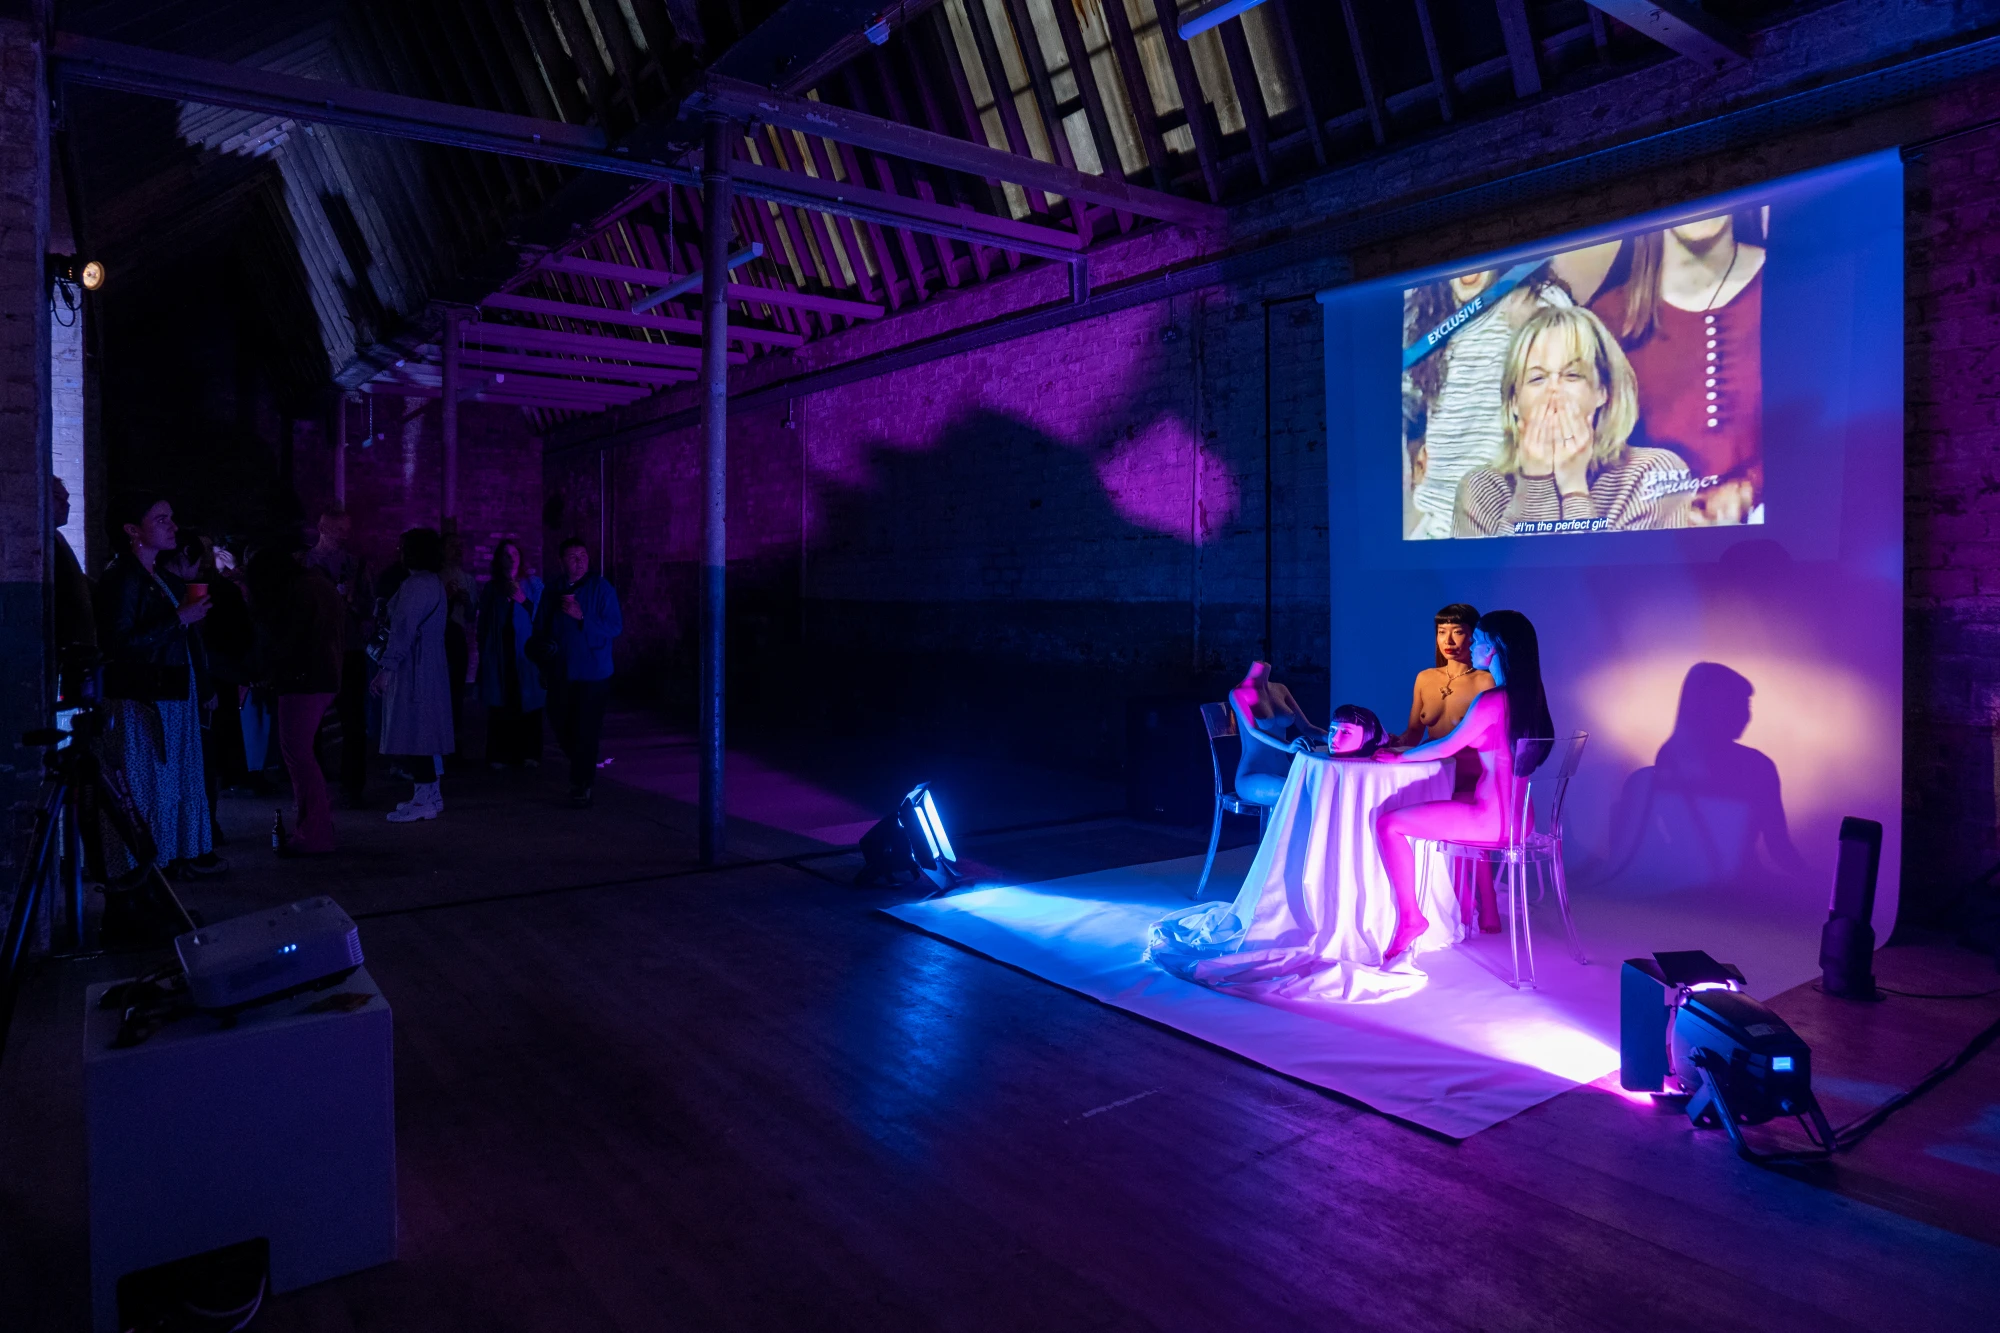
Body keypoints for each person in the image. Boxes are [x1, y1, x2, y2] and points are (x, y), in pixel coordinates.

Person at [1372, 610, 1553, 958]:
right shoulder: (1532, 700)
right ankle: (1466, 904)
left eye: (1480, 639)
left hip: (1491, 821)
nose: (1471, 645)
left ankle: (1412, 918)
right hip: (1521, 820)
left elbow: (1447, 745)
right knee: (1449, 801)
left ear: (1497, 647)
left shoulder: (1493, 700)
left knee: (1389, 823)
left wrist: (1399, 758)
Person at [1452, 305, 1695, 537]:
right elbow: (1507, 580)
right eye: (1537, 378)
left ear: (1603, 391)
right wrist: (1536, 482)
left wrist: (1574, 489)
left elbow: (1614, 579)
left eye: (1572, 375)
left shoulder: (1653, 474)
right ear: (1514, 401)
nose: (1554, 391)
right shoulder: (1481, 489)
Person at [1588, 213, 1767, 526]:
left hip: (1777, 552)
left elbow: (1830, 435)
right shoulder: (1606, 319)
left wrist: (1751, 487)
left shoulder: (1794, 282)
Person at [94, 493, 224, 879]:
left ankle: (165, 858)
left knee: (168, 779)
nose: (172, 526)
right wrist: (179, 618)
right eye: (161, 519)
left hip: (169, 693)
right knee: (146, 780)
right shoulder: (123, 577)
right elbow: (118, 642)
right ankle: (143, 865)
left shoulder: (155, 575)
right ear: (133, 529)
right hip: (143, 698)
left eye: (171, 517)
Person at [1402, 264, 1574, 539]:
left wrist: (1531, 334)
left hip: (1510, 527)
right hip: (1437, 528)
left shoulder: (1539, 301)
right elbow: (1402, 403)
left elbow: (1575, 389)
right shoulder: (1422, 317)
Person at [371, 528, 455, 822]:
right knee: (426, 731)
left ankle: (423, 800)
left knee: (417, 731)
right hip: (430, 663)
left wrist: (385, 669)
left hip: (414, 667)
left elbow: (403, 630)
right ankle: (430, 795)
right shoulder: (433, 582)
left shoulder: (416, 585)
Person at [267, 547, 345, 855]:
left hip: (302, 681)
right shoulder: (318, 585)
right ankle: (317, 826)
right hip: (321, 678)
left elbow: (290, 640)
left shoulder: (297, 593)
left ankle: (314, 832)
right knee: (303, 756)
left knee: (298, 757)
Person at [542, 537, 622, 808]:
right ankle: (580, 763)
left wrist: (583, 617)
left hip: (593, 673)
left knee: (587, 729)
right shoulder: (553, 589)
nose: (579, 561)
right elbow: (541, 626)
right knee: (560, 720)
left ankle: (581, 783)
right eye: (573, 556)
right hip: (562, 671)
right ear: (561, 561)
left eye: (583, 556)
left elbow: (614, 627)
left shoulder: (601, 588)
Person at [305, 506, 374, 806]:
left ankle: (353, 785)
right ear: (322, 527)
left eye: (347, 529)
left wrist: (351, 601)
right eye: (338, 529)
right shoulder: (304, 564)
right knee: (311, 721)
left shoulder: (355, 565)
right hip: (316, 650)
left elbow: (368, 608)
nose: (344, 535)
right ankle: (313, 782)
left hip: (350, 649)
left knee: (353, 721)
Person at [476, 539, 545, 769]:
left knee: (527, 700)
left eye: (515, 553)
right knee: (501, 702)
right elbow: (483, 621)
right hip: (500, 650)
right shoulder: (492, 588)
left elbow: (542, 615)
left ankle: (529, 752)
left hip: (525, 651)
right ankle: (499, 754)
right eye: (506, 554)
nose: (511, 558)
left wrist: (523, 600)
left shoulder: (532, 584)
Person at [1397, 603, 1495, 753]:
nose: (1448, 640)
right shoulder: (1424, 678)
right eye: (1442, 632)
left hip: (1469, 774)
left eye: (1458, 632)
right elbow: (1414, 732)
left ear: (1473, 636)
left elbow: (1494, 741)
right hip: (1433, 771)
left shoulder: (1486, 682)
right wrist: (1397, 742)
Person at [1228, 661, 1324, 808]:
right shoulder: (1238, 693)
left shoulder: (1281, 689)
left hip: (1284, 769)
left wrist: (1331, 738)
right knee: (1290, 791)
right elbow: (1253, 730)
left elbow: (1306, 727)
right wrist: (1288, 746)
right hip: (1252, 774)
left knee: (1321, 788)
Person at [50, 475, 97, 705]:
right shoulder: (45, 540)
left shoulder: (57, 537)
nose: (66, 505)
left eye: (67, 499)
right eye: (58, 498)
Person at [441, 533, 475, 758]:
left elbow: (472, 616)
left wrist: (466, 602)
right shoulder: (436, 577)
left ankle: (456, 740)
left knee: (457, 690)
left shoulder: (467, 579)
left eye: (459, 547)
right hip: (440, 637)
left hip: (458, 637)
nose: (457, 551)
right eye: (452, 547)